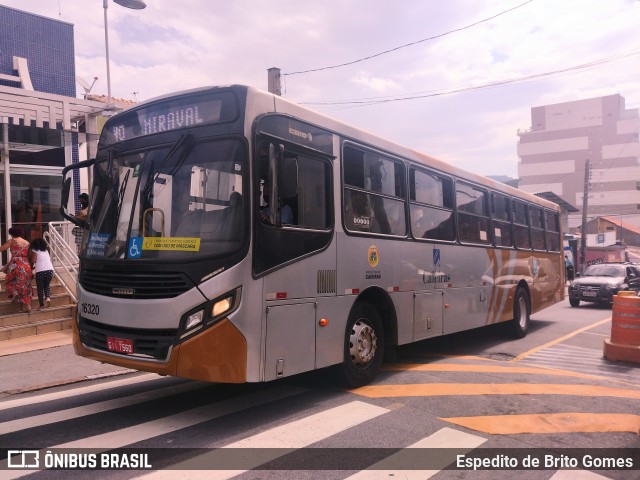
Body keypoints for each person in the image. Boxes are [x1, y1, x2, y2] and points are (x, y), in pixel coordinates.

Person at [0, 227, 33, 312]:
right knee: (26, 285)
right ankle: (27, 306)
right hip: (26, 265)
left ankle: (15, 293)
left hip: (16, 264)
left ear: (11, 233)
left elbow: (1, 249)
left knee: (9, 281)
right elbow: (30, 255)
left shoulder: (12, 241)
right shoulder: (27, 243)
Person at [30, 237, 54, 310]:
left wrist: (30, 262)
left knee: (40, 288)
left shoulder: (35, 250)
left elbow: (33, 260)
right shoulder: (46, 251)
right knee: (46, 285)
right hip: (50, 270)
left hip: (40, 271)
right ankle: (47, 297)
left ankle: (41, 305)